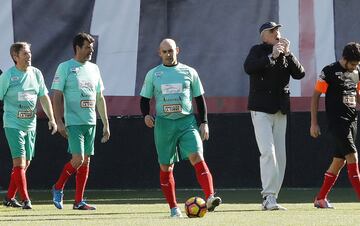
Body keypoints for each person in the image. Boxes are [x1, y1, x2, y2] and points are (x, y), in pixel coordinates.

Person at [140, 38, 221, 218]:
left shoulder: (189, 72)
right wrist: (145, 114)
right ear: (159, 53)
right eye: (165, 52)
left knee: (197, 156)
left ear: (178, 50)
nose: (169, 54)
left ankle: (210, 197)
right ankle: (174, 208)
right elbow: (144, 99)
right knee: (166, 167)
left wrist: (204, 122)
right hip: (163, 125)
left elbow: (199, 99)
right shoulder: (153, 74)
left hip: (187, 122)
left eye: (171, 51)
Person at [243, 22, 305, 210]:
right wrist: (272, 56)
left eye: (278, 30)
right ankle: (268, 196)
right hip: (260, 109)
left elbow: (300, 74)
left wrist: (288, 54)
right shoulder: (258, 50)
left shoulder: (285, 53)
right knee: (268, 152)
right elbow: (249, 68)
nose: (277, 33)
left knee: (281, 156)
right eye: (272, 31)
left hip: (280, 110)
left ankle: (273, 198)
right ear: (264, 35)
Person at [51, 32, 110, 210]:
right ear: (77, 48)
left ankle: (78, 201)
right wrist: (59, 121)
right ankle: (58, 187)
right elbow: (57, 96)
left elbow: (100, 98)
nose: (91, 51)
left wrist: (106, 124)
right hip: (73, 122)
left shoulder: (94, 69)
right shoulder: (65, 67)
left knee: (86, 161)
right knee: (78, 158)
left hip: (90, 122)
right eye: (87, 48)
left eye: (92, 48)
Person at [0, 42, 57, 209]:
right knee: (19, 163)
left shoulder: (36, 73)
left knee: (26, 163)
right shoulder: (8, 76)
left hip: (30, 125)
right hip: (12, 124)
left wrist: (52, 119)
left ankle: (9, 197)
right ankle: (26, 200)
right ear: (15, 57)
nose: (29, 56)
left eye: (29, 52)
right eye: (25, 53)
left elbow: (44, 97)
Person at [310, 42, 360, 208]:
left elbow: (357, 93)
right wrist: (314, 123)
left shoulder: (357, 71)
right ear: (344, 59)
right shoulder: (329, 71)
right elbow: (316, 96)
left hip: (353, 120)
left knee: (339, 162)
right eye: (352, 64)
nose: (354, 67)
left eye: (357, 64)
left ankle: (320, 198)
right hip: (337, 122)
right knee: (353, 156)